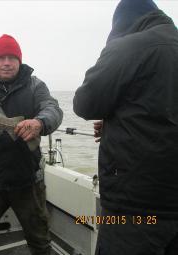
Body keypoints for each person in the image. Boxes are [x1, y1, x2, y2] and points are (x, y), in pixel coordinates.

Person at [73, 0, 178, 254]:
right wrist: (116, 121)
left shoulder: (129, 45)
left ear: (121, 23)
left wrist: (113, 48)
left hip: (136, 209)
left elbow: (84, 104)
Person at [0, 34, 63, 255]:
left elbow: (52, 108)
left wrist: (40, 122)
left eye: (12, 58)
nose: (7, 63)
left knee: (40, 241)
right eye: (1, 58)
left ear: (20, 61)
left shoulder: (36, 86)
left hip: (28, 179)